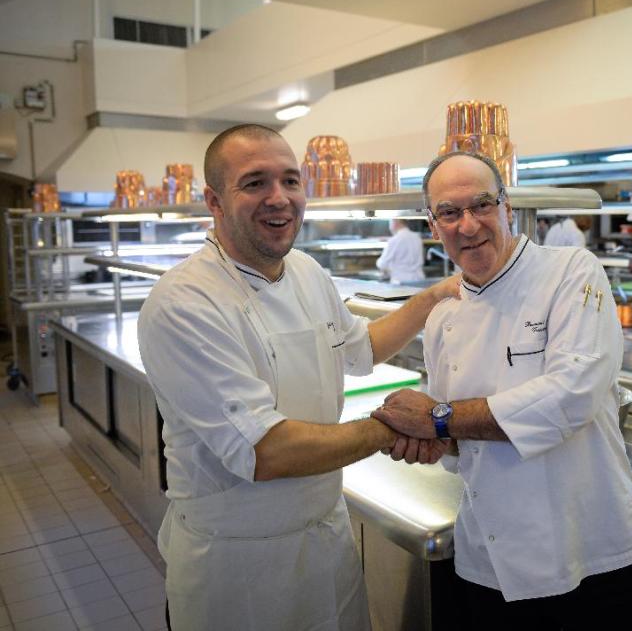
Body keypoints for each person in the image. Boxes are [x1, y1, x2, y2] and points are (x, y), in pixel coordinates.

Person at [137, 124, 455, 631]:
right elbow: (266, 450)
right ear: (214, 201)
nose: (279, 199)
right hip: (237, 569)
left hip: (326, 544)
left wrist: (433, 299)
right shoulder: (184, 303)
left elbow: (360, 349)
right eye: (255, 183)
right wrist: (396, 426)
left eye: (290, 180)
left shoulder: (307, 272)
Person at [373, 151, 632, 630]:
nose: (468, 225)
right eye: (449, 212)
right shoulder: (442, 317)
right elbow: (457, 437)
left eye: (481, 204)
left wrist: (437, 420)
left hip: (590, 550)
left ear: (505, 206)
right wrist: (426, 437)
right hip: (489, 556)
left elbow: (572, 395)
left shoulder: (571, 271)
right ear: (432, 224)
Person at [376, 218, 425, 283]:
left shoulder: (395, 240)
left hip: (401, 281)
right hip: (419, 280)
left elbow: (382, 264)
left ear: (395, 222)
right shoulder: (417, 237)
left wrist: (382, 266)